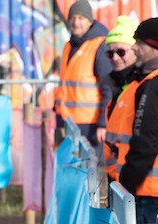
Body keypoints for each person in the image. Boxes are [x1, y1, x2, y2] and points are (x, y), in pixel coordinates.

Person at [106, 18, 158, 224]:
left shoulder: (154, 85)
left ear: (156, 46)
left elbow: (144, 143)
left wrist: (125, 185)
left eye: (140, 43)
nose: (135, 48)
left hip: (155, 196)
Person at [54, 0, 112, 155]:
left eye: (81, 18)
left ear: (89, 20)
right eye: (73, 18)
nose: (76, 22)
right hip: (68, 122)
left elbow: (107, 88)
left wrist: (103, 123)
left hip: (89, 125)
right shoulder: (68, 46)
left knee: (90, 171)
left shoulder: (100, 45)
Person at [102, 15, 139, 181]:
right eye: (110, 53)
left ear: (136, 50)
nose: (115, 58)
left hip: (132, 179)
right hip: (116, 177)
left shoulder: (142, 85)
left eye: (121, 51)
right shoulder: (116, 84)